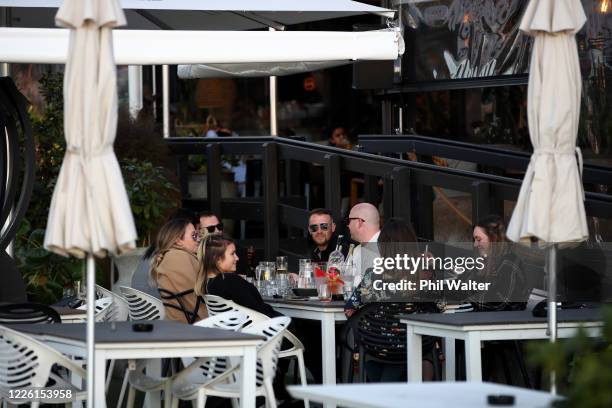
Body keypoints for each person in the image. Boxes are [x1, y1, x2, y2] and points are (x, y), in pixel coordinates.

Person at [344, 218, 437, 381]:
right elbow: (440, 307)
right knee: (422, 354)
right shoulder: (424, 274)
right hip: (414, 345)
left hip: (376, 346)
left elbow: (350, 308)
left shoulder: (373, 275)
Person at [194, 234, 277, 317]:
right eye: (232, 254)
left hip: (232, 327)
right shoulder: (230, 281)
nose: (237, 258)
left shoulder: (205, 283)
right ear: (218, 259)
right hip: (263, 326)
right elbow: (261, 311)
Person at [149, 218, 207, 323]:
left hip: (178, 324)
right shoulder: (178, 257)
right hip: (188, 327)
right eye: (194, 235)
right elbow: (194, 301)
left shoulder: (172, 255)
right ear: (178, 241)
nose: (198, 239)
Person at [468, 215, 527, 311]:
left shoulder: (510, 263)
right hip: (482, 319)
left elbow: (500, 302)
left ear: (493, 239)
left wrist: (466, 297)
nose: (475, 244)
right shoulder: (485, 261)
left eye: (479, 240)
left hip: (504, 323)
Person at [198, 211, 254, 277]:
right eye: (211, 229)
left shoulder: (236, 251)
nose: (217, 231)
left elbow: (244, 278)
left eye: (219, 226)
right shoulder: (195, 253)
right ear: (199, 232)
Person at [347, 202, 381, 286]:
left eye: (349, 220)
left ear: (359, 222)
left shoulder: (385, 249)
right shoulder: (357, 250)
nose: (348, 225)